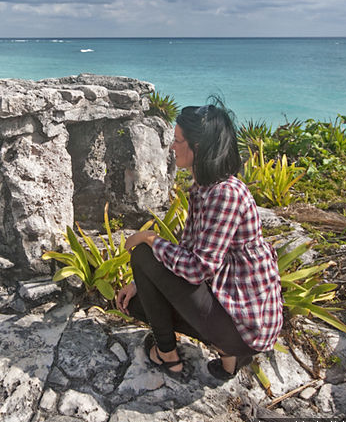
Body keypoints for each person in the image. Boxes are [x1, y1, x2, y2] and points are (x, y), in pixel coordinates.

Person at [115, 102, 283, 380]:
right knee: (137, 301)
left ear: (198, 148)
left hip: (245, 327)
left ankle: (168, 355)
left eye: (178, 141)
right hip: (233, 306)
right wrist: (139, 282)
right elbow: (188, 250)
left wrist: (149, 237)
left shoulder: (224, 195)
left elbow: (197, 268)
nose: (172, 148)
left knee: (143, 254)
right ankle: (230, 358)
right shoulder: (208, 188)